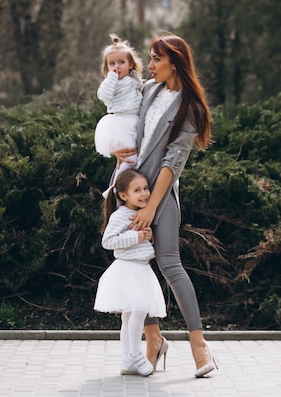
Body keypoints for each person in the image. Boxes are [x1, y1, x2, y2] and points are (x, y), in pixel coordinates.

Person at [112, 32, 216, 378]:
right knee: (134, 263)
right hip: (131, 191)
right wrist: (116, 148)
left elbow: (174, 161)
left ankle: (199, 346)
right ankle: (153, 339)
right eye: (151, 58)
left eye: (157, 59)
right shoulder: (150, 91)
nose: (150, 65)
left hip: (160, 195)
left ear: (176, 62)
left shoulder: (191, 107)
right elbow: (128, 124)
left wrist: (151, 208)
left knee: (171, 265)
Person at [94, 169, 166, 377]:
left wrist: (148, 238)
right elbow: (108, 242)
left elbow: (142, 244)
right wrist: (137, 237)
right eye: (137, 190)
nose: (144, 193)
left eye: (145, 188)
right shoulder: (120, 215)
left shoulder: (142, 214)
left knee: (129, 316)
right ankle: (136, 354)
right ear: (123, 195)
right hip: (127, 269)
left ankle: (127, 360)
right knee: (139, 308)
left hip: (142, 269)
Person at [94, 34, 144, 198]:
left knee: (132, 159)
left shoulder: (134, 79)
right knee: (130, 159)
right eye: (112, 63)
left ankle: (122, 186)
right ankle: (116, 188)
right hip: (120, 122)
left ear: (130, 65)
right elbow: (103, 95)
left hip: (133, 121)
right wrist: (111, 78)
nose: (116, 66)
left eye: (121, 62)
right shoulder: (111, 82)